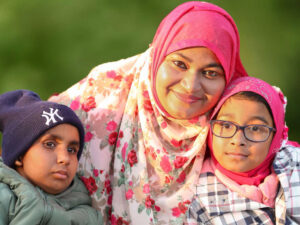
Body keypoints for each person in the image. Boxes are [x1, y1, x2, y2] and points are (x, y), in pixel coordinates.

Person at [49, 1, 248, 224]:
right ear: (157, 55)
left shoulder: (239, 127)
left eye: (211, 73)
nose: (191, 85)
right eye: (179, 64)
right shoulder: (103, 92)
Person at [186, 77, 300, 224]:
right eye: (226, 125)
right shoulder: (195, 199)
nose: (238, 141)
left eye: (255, 128)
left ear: (276, 136)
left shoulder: (293, 166)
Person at [0, 90, 103, 224]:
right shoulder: (3, 199)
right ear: (19, 155)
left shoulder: (87, 216)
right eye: (49, 144)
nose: (64, 158)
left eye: (72, 149)